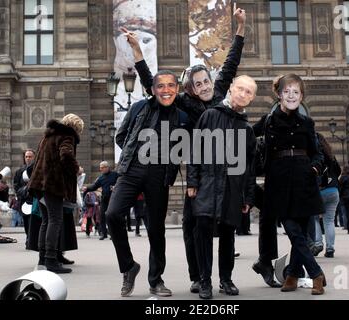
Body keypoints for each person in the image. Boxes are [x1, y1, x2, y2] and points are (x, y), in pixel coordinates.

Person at [124, 5, 247, 294]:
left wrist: (240, 28)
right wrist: (138, 54)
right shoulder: (183, 103)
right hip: (198, 172)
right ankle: (198, 277)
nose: (204, 86)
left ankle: (225, 278)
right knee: (194, 224)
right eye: (198, 83)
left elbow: (231, 62)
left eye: (206, 81)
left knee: (227, 226)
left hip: (226, 167)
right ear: (190, 88)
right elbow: (152, 84)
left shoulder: (219, 95)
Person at [106, 70, 189, 297]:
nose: (166, 90)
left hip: (159, 175)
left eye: (171, 85)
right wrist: (136, 153)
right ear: (153, 90)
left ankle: (156, 280)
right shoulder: (138, 108)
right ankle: (129, 267)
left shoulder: (182, 117)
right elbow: (121, 136)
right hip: (132, 170)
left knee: (156, 229)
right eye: (160, 86)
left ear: (177, 89)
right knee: (112, 215)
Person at [253, 74, 326, 295]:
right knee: (293, 230)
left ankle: (293, 275)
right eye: (287, 91)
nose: (291, 95)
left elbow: (318, 154)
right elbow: (243, 136)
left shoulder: (306, 122)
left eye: (296, 92)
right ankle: (316, 273)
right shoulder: (268, 121)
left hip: (304, 181)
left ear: (301, 96)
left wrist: (314, 168)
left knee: (300, 233)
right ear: (279, 94)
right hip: (278, 181)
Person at [187, 75, 257, 299]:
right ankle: (205, 281)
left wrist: (247, 197)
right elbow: (195, 150)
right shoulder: (209, 115)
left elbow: (249, 166)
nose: (243, 94)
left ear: (252, 98)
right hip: (207, 184)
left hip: (232, 188)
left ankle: (226, 279)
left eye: (249, 92)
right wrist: (192, 181)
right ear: (230, 89)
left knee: (228, 235)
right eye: (240, 89)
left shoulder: (246, 129)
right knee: (203, 233)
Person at [28, 113, 84, 273]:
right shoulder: (67, 136)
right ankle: (51, 260)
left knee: (46, 221)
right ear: (75, 128)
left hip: (40, 184)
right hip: (53, 184)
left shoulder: (48, 136)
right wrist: (76, 169)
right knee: (55, 220)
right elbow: (66, 154)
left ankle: (43, 259)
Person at [312, 132, 341, 258]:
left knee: (314, 219)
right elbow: (338, 171)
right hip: (333, 191)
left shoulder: (315, 156)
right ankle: (330, 249)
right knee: (329, 221)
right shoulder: (331, 156)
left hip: (319, 191)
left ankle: (318, 243)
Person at [82, 161, 119, 240]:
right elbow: (94, 186)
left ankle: (112, 234)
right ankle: (104, 234)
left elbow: (122, 181)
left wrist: (116, 186)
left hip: (113, 199)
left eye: (102, 168)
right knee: (102, 216)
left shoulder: (115, 174)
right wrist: (87, 188)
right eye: (100, 168)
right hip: (104, 199)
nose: (100, 169)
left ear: (107, 167)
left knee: (110, 216)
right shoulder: (101, 178)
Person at [13, 149, 36, 248]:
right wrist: (21, 193)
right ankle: (28, 238)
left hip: (35, 199)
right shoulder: (19, 171)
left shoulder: (37, 170)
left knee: (34, 221)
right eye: (26, 157)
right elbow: (16, 186)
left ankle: (33, 240)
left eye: (30, 156)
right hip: (24, 200)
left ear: (34, 157)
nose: (28, 158)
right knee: (26, 222)